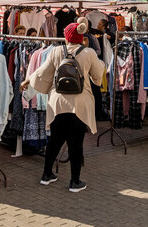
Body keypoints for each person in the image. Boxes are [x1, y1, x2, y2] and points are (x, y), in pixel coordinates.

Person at [21, 21, 106, 193]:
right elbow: (98, 75)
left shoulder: (56, 51)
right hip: (79, 104)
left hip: (57, 102)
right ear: (81, 37)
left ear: (66, 37)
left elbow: (42, 72)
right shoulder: (88, 53)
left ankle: (47, 175)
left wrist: (27, 80)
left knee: (54, 140)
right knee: (76, 143)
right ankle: (75, 182)